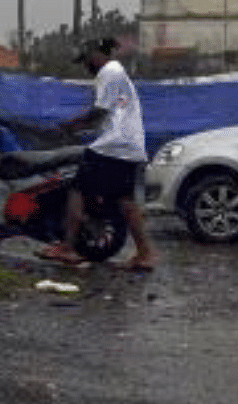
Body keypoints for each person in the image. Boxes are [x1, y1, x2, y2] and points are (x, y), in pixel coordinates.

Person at [36, 37, 157, 271]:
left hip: (114, 145)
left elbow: (99, 112)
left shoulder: (109, 72)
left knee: (77, 188)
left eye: (87, 60)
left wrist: (73, 125)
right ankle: (145, 255)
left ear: (96, 53)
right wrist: (82, 126)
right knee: (126, 201)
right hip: (129, 146)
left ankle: (68, 248)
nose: (86, 66)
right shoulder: (117, 72)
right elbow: (106, 114)